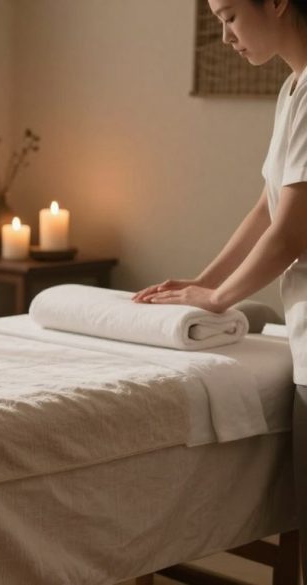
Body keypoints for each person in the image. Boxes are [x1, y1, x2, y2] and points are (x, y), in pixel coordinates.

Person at [132, 0, 307, 576]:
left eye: (230, 16)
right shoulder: (292, 90)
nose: (225, 36)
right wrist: (205, 282)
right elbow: (267, 206)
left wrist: (217, 300)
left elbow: (289, 237)